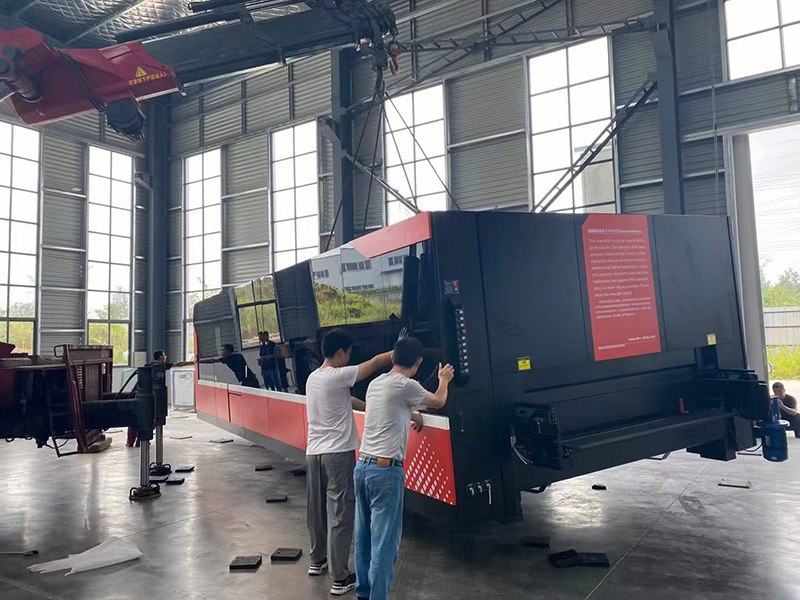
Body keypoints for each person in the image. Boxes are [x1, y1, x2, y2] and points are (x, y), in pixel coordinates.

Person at [354, 338, 453, 600]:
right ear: (418, 362)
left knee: (364, 537)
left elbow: (387, 409)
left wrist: (412, 412)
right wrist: (444, 379)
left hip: (362, 467)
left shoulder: (376, 383)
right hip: (385, 473)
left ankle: (364, 593)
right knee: (385, 542)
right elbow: (438, 401)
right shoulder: (407, 385)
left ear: (393, 357)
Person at [305, 329, 393, 596]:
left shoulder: (314, 377)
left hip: (313, 453)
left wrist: (369, 406)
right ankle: (340, 578)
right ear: (341, 352)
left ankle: (317, 560)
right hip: (337, 454)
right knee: (341, 514)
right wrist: (397, 352)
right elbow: (375, 364)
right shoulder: (339, 375)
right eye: (349, 353)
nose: (350, 357)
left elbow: (346, 400)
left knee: (317, 510)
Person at [126, 350, 195, 447]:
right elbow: (179, 364)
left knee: (137, 419)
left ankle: (131, 442)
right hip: (154, 397)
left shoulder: (148, 365)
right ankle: (140, 441)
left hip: (141, 393)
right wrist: (193, 362)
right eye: (164, 355)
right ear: (161, 357)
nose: (165, 356)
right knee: (150, 419)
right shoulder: (162, 366)